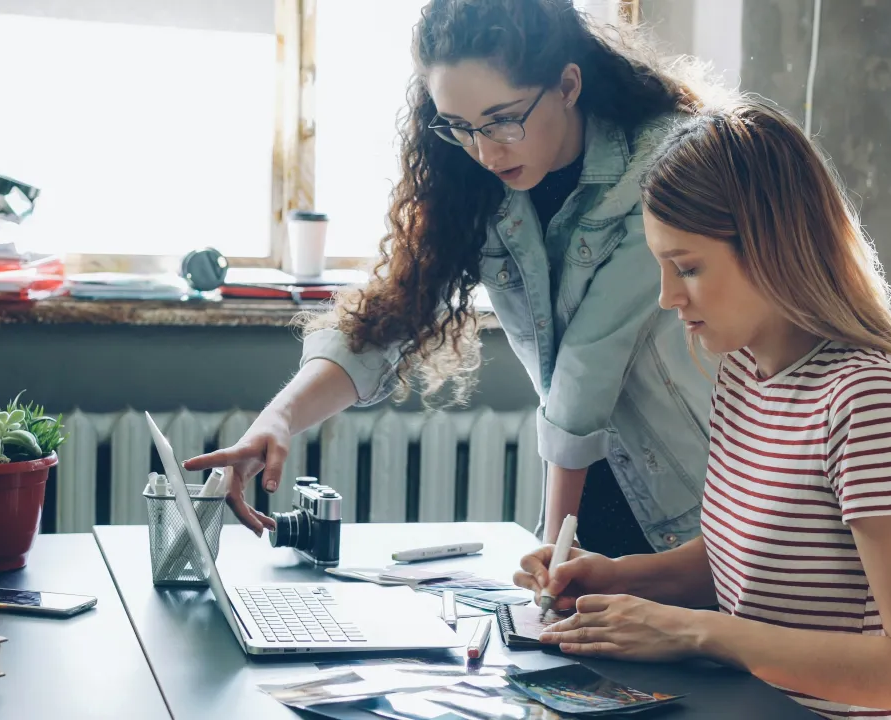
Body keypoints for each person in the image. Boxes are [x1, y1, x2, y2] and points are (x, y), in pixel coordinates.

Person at [184, 0, 723, 558]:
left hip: (691, 503)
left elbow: (589, 363)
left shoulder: (660, 163)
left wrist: (553, 554)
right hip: (587, 492)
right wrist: (278, 419)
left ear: (567, 85)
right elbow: (391, 314)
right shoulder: (473, 178)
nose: (485, 152)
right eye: (461, 128)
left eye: (503, 120)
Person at [513, 98, 891, 719]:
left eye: (688, 268)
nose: (668, 297)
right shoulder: (744, 372)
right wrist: (615, 576)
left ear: (772, 246)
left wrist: (691, 632)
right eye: (662, 268)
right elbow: (742, 557)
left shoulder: (870, 405)